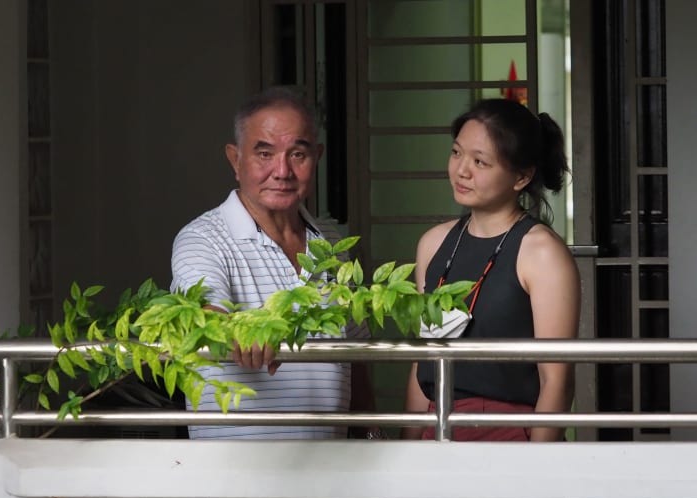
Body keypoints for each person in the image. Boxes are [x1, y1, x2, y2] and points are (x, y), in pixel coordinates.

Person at [170, 85, 374, 439]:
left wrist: (373, 438)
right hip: (236, 478)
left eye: (298, 154)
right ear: (235, 160)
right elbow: (202, 314)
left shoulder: (334, 244)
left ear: (317, 158)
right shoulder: (202, 239)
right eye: (264, 154)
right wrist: (238, 330)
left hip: (334, 474)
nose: (282, 171)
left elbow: (355, 360)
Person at [402, 98, 581, 442]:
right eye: (457, 153)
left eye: (480, 161)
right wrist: (407, 446)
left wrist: (539, 471)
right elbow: (421, 360)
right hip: (435, 425)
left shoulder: (542, 253)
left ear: (522, 176)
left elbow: (556, 381)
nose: (462, 170)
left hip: (507, 433)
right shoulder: (433, 243)